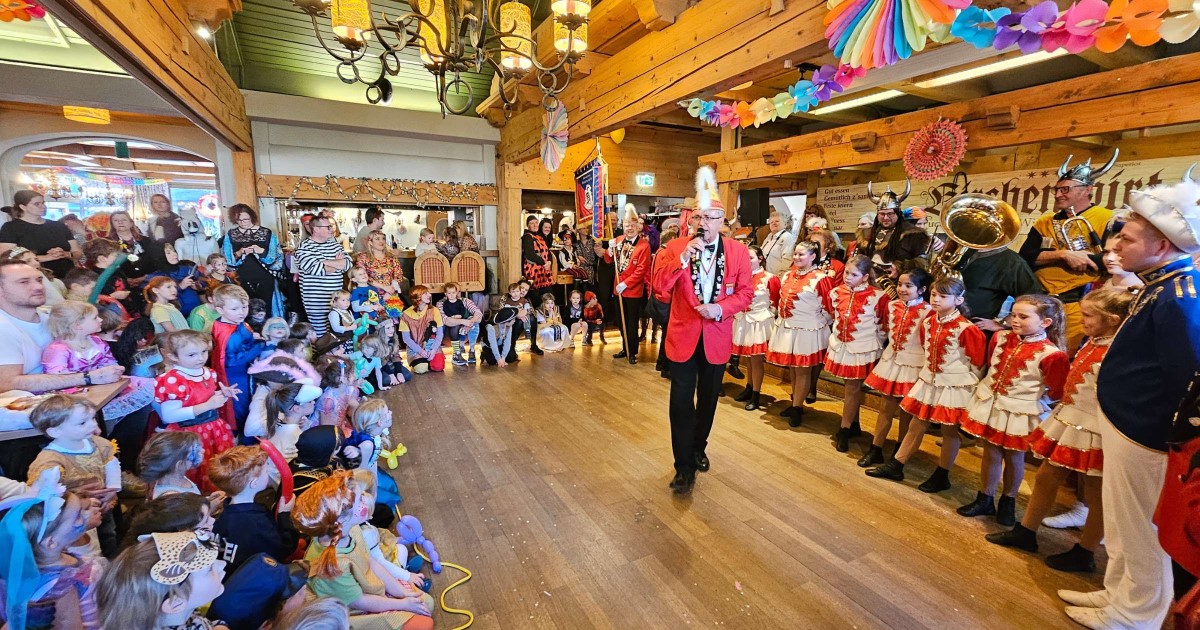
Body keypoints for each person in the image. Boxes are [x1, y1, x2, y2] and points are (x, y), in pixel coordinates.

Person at [1066, 179, 1200, 629]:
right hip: (1127, 424)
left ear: (1161, 244)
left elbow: (1188, 380)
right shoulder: (1158, 285)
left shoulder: (1180, 298)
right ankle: (1117, 593)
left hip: (1147, 434)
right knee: (1122, 526)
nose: (1116, 242)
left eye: (1127, 236)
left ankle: (1135, 614)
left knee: (1141, 530)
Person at [987, 288, 1132, 572]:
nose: (1083, 319)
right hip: (1071, 417)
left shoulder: (1118, 350)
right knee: (1045, 476)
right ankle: (1026, 531)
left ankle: (1085, 551)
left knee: (1094, 491)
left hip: (1095, 425)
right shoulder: (1094, 340)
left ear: (1113, 320)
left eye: (1089, 315)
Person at [653, 170, 754, 495]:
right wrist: (682, 260)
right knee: (681, 403)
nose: (705, 222)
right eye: (700, 217)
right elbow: (660, 290)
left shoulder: (737, 252)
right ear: (691, 218)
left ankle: (698, 447)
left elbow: (746, 293)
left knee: (708, 400)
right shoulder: (676, 248)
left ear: (723, 220)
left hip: (716, 338)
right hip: (682, 338)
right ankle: (683, 467)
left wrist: (721, 309)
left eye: (712, 217)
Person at [0, 259, 146, 477]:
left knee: (144, 393)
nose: (38, 286)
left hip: (73, 394)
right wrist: (87, 377)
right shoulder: (4, 328)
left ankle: (118, 470)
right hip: (30, 414)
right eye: (24, 282)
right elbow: (7, 382)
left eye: (39, 279)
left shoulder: (51, 316)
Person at [957, 295, 1070, 527]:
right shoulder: (999, 337)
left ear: (1045, 323)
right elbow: (991, 366)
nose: (1015, 320)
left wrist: (1032, 402)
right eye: (1013, 315)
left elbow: (1057, 390)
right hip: (993, 404)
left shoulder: (1052, 354)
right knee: (991, 452)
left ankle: (1008, 500)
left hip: (1020, 411)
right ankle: (985, 497)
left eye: (1023, 316)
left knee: (1014, 457)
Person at [867, 277, 987, 487]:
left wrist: (964, 386)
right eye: (934, 295)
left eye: (943, 296)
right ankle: (897, 465)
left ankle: (942, 474)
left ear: (958, 300)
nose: (936, 299)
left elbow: (977, 362)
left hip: (954, 386)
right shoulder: (929, 322)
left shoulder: (967, 329)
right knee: (916, 423)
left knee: (949, 431)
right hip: (929, 380)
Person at [290, 471, 434, 627]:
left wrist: (402, 592)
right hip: (353, 611)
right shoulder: (331, 566)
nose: (366, 499)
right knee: (424, 622)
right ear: (340, 520)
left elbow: (371, 562)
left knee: (427, 603)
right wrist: (403, 604)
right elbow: (360, 602)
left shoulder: (351, 529)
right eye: (360, 499)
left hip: (369, 590)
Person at [1018, 152, 1117, 354]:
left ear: (1087, 190)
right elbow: (1026, 256)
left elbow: (1112, 259)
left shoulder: (1108, 218)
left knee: (1064, 356)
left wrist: (1084, 258)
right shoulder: (1044, 221)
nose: (1058, 194)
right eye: (1057, 190)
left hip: (1077, 303)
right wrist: (1062, 255)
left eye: (1065, 189)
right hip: (1041, 301)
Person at [0, 481, 104, 630]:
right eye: (78, 516)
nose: (87, 515)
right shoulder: (68, 584)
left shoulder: (10, 576)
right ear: (51, 542)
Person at [861, 267, 932, 467]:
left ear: (921, 289)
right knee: (885, 407)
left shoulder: (928, 311)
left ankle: (898, 452)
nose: (902, 289)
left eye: (909, 285)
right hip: (891, 361)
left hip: (913, 364)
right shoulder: (892, 306)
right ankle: (876, 448)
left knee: (906, 412)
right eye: (900, 284)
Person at [42, 300, 156, 425]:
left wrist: (115, 370)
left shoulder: (96, 341)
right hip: (78, 395)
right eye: (95, 318)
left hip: (106, 386)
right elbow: (58, 379)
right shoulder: (58, 349)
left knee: (153, 385)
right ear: (77, 325)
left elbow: (109, 362)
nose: (101, 320)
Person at [154, 331, 237, 494]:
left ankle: (216, 501)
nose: (200, 358)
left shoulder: (208, 372)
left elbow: (204, 396)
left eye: (204, 352)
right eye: (192, 354)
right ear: (173, 356)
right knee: (194, 469)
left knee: (215, 467)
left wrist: (221, 393)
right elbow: (169, 416)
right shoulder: (172, 380)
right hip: (187, 434)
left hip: (214, 430)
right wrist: (207, 405)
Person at [94, 531, 229, 630]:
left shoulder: (177, 615)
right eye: (210, 568)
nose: (222, 564)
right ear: (175, 603)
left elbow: (200, 621)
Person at [825, 255, 890, 453]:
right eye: (846, 272)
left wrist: (875, 342)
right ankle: (853, 425)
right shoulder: (836, 292)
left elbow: (883, 324)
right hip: (842, 346)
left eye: (854, 274)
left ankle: (844, 429)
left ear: (864, 277)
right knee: (849, 387)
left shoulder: (878, 296)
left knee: (852, 389)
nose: (848, 277)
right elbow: (832, 314)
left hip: (863, 348)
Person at [766, 241, 835, 425]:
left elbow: (828, 308)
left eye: (801, 255)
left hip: (808, 329)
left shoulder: (821, 278)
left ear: (813, 256)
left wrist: (817, 325)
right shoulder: (788, 275)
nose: (796, 257)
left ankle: (797, 407)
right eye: (795, 254)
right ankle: (795, 402)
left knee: (803, 370)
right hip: (788, 327)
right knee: (793, 369)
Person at [208, 445, 300, 572]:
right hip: (250, 577)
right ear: (254, 483)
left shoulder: (221, 511)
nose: (268, 473)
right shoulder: (257, 522)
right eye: (266, 471)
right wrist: (285, 515)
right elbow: (283, 549)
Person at [730, 245, 780, 412]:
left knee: (756, 360)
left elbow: (775, 301)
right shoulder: (740, 277)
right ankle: (750, 386)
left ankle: (756, 394)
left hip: (759, 322)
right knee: (748, 359)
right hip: (743, 320)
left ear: (760, 258)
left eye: (751, 257)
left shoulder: (769, 278)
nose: (747, 261)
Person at [210, 285, 265, 433]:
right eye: (235, 309)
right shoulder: (229, 334)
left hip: (243, 369)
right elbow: (231, 361)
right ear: (220, 309)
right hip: (235, 375)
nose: (241, 313)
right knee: (240, 405)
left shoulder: (235, 322)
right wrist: (259, 346)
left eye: (245, 307)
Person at [222, 204, 287, 317]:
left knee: (266, 306)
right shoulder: (231, 235)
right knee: (245, 306)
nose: (243, 222)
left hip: (265, 275)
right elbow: (227, 258)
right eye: (239, 220)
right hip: (241, 276)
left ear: (251, 217)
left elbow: (276, 256)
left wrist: (260, 250)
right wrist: (239, 253)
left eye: (246, 219)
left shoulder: (266, 233)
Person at [605, 208, 652, 364]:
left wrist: (626, 283)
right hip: (617, 290)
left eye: (632, 225)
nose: (629, 228)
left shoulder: (644, 245)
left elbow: (641, 270)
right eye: (626, 225)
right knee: (620, 320)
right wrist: (609, 252)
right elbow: (608, 261)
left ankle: (632, 351)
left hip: (632, 291)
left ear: (637, 227)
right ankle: (625, 348)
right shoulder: (617, 240)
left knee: (631, 322)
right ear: (622, 226)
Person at [0, 191, 81, 279]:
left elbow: (78, 252)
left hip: (68, 276)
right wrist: (47, 257)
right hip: (36, 277)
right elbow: (8, 260)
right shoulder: (11, 228)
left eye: (43, 203)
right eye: (37, 204)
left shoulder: (58, 226)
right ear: (23, 207)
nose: (43, 207)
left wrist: (65, 254)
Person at [295, 216, 352, 336]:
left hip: (337, 300)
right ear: (316, 229)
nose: (332, 229)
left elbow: (347, 264)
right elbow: (317, 269)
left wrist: (324, 262)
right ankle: (322, 355)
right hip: (316, 301)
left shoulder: (335, 245)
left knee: (338, 332)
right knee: (321, 335)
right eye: (328, 227)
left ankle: (335, 355)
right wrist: (336, 264)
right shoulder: (304, 247)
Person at [857, 181, 930, 274]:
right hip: (870, 280)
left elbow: (922, 262)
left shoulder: (914, 234)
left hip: (898, 282)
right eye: (882, 214)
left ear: (898, 213)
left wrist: (900, 268)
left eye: (890, 213)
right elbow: (860, 257)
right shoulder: (868, 232)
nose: (886, 218)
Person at [355, 230, 408, 319]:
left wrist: (390, 291)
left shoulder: (391, 257)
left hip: (390, 294)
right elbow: (361, 276)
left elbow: (398, 275)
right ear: (370, 242)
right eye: (377, 239)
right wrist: (383, 287)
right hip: (370, 295)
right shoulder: (363, 258)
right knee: (373, 323)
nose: (381, 241)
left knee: (392, 323)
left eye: (383, 238)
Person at [398, 285, 444, 374]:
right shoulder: (406, 314)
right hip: (416, 347)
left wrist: (434, 350)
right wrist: (420, 351)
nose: (429, 295)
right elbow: (406, 338)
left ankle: (429, 361)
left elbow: (440, 333)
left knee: (438, 367)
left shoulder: (434, 310)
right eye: (425, 293)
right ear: (418, 296)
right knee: (421, 369)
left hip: (432, 345)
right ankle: (421, 362)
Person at [107, 210, 160, 282]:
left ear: (131, 223)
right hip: (121, 283)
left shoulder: (146, 240)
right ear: (112, 224)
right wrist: (125, 280)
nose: (120, 222)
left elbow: (156, 261)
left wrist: (146, 278)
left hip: (148, 280)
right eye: (116, 220)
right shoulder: (108, 243)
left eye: (124, 220)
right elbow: (107, 266)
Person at [437, 282, 482, 366]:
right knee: (453, 325)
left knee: (475, 322)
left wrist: (470, 322)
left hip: (464, 332)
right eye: (452, 292)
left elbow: (478, 314)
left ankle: (472, 350)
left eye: (457, 291)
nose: (456, 294)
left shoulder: (465, 301)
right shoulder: (442, 303)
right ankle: (456, 354)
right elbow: (445, 320)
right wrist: (463, 321)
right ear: (446, 293)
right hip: (448, 334)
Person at [521, 216, 554, 300]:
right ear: (528, 226)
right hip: (533, 272)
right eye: (532, 223)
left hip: (544, 272)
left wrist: (549, 262)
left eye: (536, 222)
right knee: (536, 297)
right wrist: (544, 262)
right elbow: (529, 254)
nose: (535, 225)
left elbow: (548, 251)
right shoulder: (527, 236)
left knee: (548, 296)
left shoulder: (539, 236)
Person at [760, 211, 796, 277]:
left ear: (785, 224)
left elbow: (787, 260)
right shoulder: (769, 236)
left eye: (777, 221)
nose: (774, 223)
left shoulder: (787, 237)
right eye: (771, 222)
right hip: (766, 277)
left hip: (778, 278)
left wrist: (781, 278)